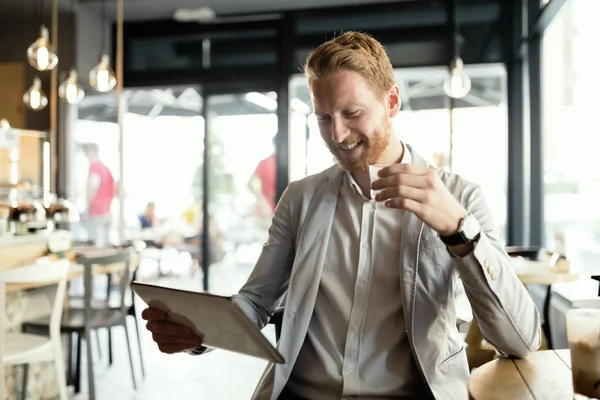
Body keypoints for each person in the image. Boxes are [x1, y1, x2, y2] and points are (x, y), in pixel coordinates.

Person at [142, 32, 541, 400]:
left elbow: (520, 340)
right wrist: (198, 332)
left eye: (352, 112)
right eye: (323, 118)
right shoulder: (300, 199)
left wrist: (459, 230)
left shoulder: (459, 198)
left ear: (392, 102)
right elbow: (256, 301)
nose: (337, 134)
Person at [82, 143, 115, 246]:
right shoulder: (105, 168)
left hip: (97, 211)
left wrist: (88, 205)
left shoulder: (95, 167)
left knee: (96, 244)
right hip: (106, 211)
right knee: (105, 242)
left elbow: (93, 186)